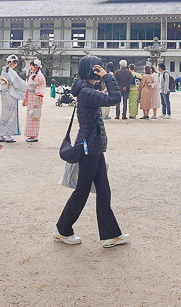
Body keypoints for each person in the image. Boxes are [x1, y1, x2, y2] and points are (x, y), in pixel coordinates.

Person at [54, 55, 129, 248]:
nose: (100, 71)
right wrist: (107, 77)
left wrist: (103, 78)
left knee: (103, 190)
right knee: (83, 190)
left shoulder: (86, 89)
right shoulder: (87, 91)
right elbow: (115, 98)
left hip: (93, 146)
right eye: (98, 68)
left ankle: (110, 234)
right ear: (91, 71)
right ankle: (63, 229)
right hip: (89, 147)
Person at [0, 55, 26, 143]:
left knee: (4, 114)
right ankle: (8, 135)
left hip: (4, 93)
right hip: (10, 94)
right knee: (10, 114)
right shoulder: (11, 72)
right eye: (15, 63)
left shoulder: (4, 71)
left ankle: (2, 135)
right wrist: (27, 85)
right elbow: (18, 83)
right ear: (13, 63)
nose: (16, 65)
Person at [23, 59, 46, 142]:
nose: (31, 67)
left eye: (32, 65)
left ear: (36, 66)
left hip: (36, 97)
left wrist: (29, 84)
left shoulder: (40, 75)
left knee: (35, 115)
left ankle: (35, 135)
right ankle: (31, 135)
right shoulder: (32, 75)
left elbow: (39, 85)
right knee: (30, 115)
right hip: (31, 96)